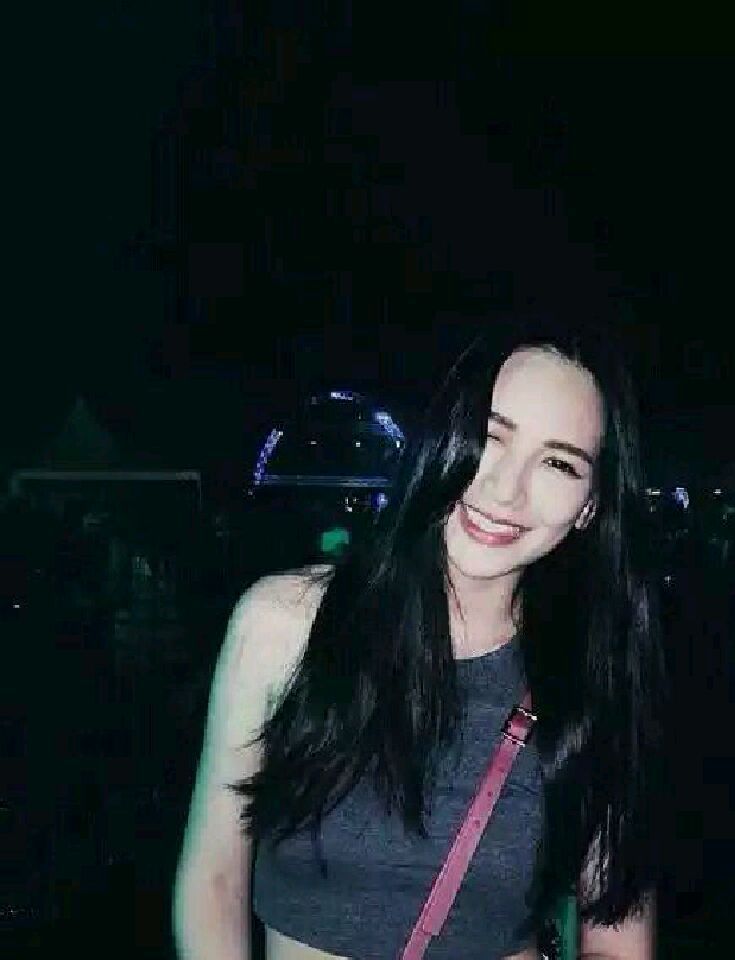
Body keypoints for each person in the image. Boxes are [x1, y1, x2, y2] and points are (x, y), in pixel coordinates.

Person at [173, 314, 669, 960]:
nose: (505, 490)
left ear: (590, 505)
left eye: (558, 463)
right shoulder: (284, 624)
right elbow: (213, 879)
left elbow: (619, 938)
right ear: (444, 435)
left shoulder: (593, 676)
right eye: (491, 436)